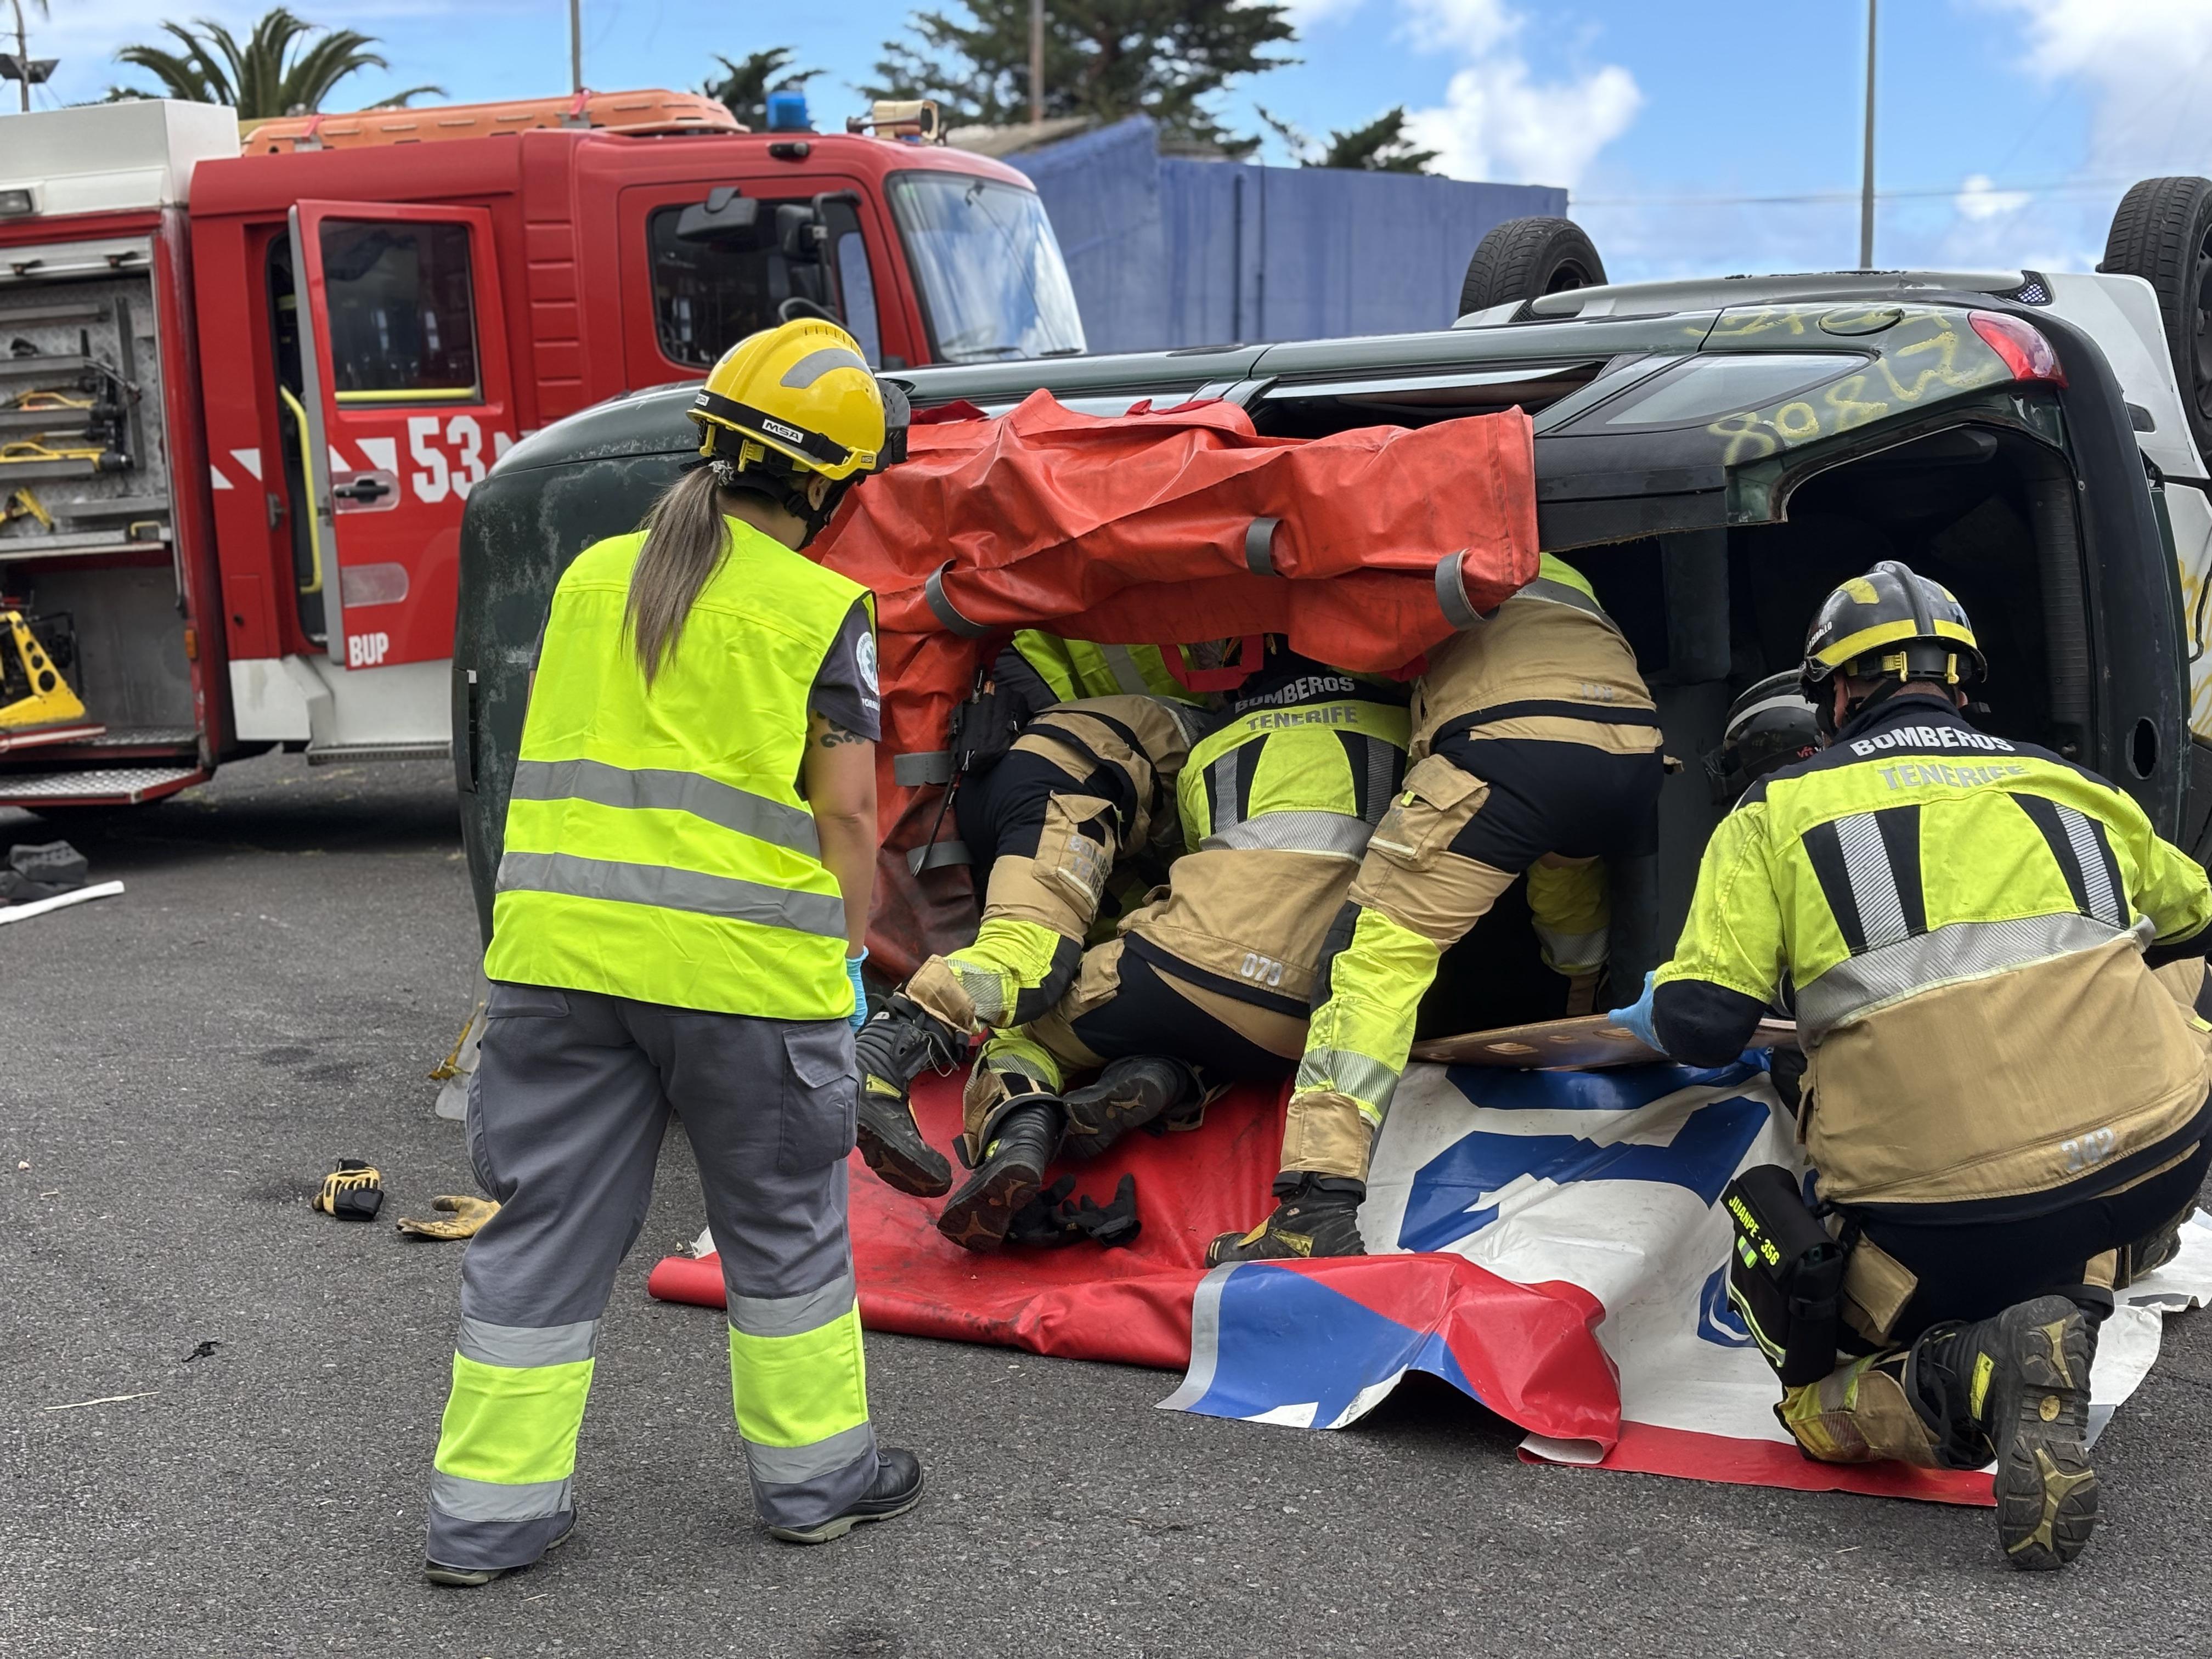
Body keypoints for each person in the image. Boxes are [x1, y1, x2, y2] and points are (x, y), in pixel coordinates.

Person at [422, 320, 920, 1585]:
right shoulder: (821, 609)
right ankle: (817, 1486)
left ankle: (487, 1523)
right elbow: (850, 813)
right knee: (787, 1236)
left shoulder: (593, 572)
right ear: (832, 481)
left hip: (555, 968)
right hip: (748, 980)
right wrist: (849, 956)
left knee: (537, 1237)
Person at [1609, 559, 2212, 1570]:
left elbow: (1707, 1023)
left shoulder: (1777, 808)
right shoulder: (2074, 785)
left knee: (1793, 1308)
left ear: (1833, 694)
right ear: (1964, 685)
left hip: (1948, 1226)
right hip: (2159, 1167)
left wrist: (1657, 999)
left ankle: (1976, 1374)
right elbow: (2192, 915)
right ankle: (2088, 1277)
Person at [1210, 553, 1667, 1263]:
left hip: (1505, 747)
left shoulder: (1417, 553)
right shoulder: (1553, 568)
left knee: (1372, 959)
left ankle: (1315, 1205)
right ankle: (1577, 1034)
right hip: (1631, 752)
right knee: (1566, 898)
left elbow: (1362, 653)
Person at [936, 642, 1412, 1250]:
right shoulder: (1411, 735)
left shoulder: (1212, 750)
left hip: (1189, 971)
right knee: (1233, 1026)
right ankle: (1171, 1076)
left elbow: (1189, 865)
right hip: (1316, 1013)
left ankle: (1019, 1128)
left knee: (1025, 1030)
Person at [851, 692, 1201, 1195]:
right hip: (1068, 793)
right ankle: (882, 1058)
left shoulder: (1168, 723)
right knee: (1029, 959)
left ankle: (1019, 1140)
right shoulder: (1220, 746)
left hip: (1018, 782)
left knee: (1042, 1001)